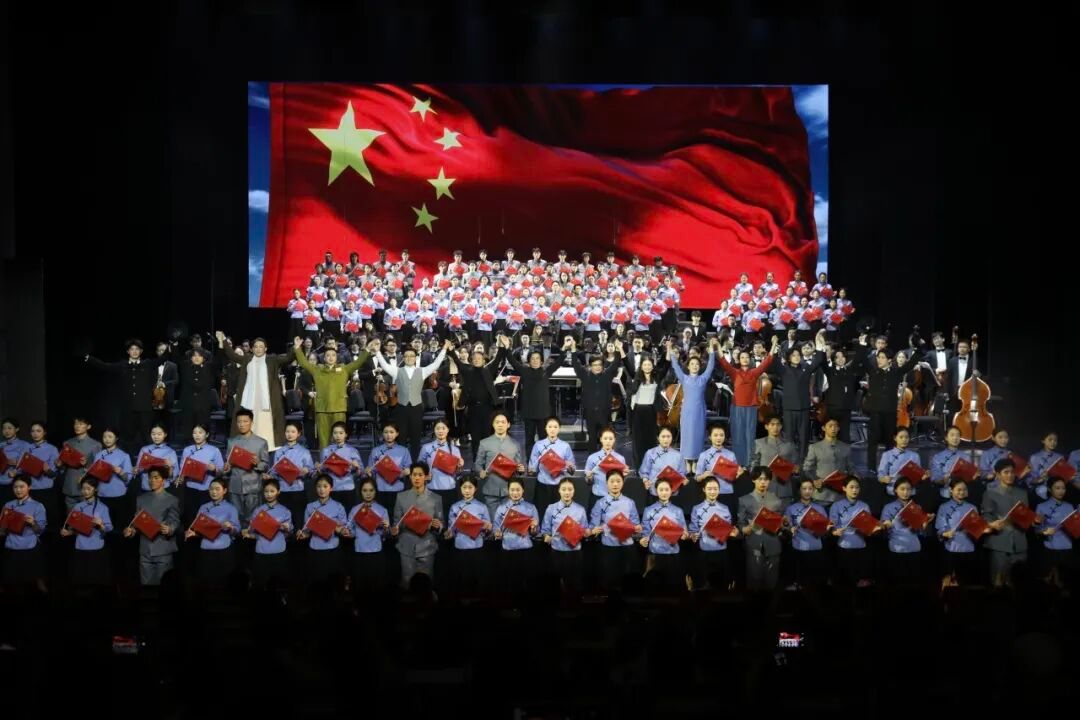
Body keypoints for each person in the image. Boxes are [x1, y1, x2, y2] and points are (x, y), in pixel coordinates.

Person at [373, 339, 450, 459]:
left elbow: (436, 364)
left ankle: (415, 462)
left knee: (416, 437)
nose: (409, 358)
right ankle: (401, 461)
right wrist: (377, 352)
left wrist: (444, 348)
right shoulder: (397, 371)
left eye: (411, 356)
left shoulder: (422, 371)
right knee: (401, 437)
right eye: (406, 356)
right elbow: (384, 365)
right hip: (401, 407)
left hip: (417, 407)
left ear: (415, 358)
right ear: (403, 358)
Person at [84, 339, 163, 455]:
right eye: (132, 349)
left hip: (145, 408)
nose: (134, 351)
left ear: (141, 351)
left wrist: (173, 345)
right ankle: (126, 461)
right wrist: (89, 358)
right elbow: (105, 366)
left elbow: (162, 359)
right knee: (127, 438)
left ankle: (153, 459)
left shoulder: (147, 364)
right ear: (128, 351)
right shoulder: (122, 365)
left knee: (147, 436)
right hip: (128, 409)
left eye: (137, 349)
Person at [293, 336, 372, 449]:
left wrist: (367, 350)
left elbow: (358, 363)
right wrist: (297, 348)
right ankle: (324, 460)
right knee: (324, 441)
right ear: (324, 358)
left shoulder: (344, 369)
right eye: (328, 355)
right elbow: (304, 363)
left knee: (339, 441)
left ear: (337, 357)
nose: (331, 358)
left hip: (339, 409)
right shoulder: (317, 369)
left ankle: (339, 460)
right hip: (322, 409)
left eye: (333, 355)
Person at [716, 336, 777, 465]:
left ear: (750, 360)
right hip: (737, 407)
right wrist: (717, 345)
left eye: (747, 357)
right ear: (739, 360)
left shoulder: (754, 372)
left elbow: (768, 361)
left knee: (750, 435)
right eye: (742, 357)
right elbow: (723, 361)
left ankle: (749, 462)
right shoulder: (734, 372)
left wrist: (774, 343)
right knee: (738, 436)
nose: (745, 359)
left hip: (751, 407)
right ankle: (739, 463)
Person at [982, 457, 1040, 588]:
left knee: (1018, 583)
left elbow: (1025, 516)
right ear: (998, 475)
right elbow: (986, 515)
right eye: (1006, 472)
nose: (1010, 475)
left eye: (1012, 472)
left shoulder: (1022, 493)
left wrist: (1034, 520)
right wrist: (992, 524)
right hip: (999, 542)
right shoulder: (990, 493)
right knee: (997, 582)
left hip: (1020, 542)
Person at [774, 330, 827, 461]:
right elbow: (774, 362)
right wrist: (774, 345)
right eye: (794, 355)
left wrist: (819, 344)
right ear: (789, 358)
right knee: (789, 438)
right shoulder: (784, 369)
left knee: (804, 438)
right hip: (789, 409)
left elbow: (818, 360)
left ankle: (803, 461)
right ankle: (789, 462)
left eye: (798, 355)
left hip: (804, 408)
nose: (797, 357)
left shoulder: (806, 368)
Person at [390, 461, 444, 588]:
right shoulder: (401, 497)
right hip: (407, 548)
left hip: (427, 547)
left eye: (420, 475)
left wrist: (438, 526)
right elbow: (396, 523)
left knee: (426, 585)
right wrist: (395, 530)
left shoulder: (436, 498)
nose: (417, 478)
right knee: (407, 584)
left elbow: (441, 523)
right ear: (410, 477)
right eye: (414, 475)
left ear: (426, 476)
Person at [124, 466, 180, 586]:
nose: (152, 480)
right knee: (146, 587)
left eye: (156, 478)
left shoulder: (172, 500)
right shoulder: (141, 499)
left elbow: (175, 521)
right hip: (145, 549)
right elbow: (136, 523)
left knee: (164, 588)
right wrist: (131, 531)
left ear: (163, 480)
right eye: (150, 478)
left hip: (163, 548)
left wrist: (169, 529)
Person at [667, 337, 718, 465]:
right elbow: (675, 367)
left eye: (697, 364)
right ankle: (686, 461)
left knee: (698, 435)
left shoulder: (703, 378)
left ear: (700, 366)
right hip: (687, 411)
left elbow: (711, 367)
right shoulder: (684, 378)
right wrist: (670, 351)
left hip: (699, 411)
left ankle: (696, 462)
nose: (695, 366)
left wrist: (712, 352)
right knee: (687, 435)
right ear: (688, 366)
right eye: (692, 364)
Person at [506, 337, 561, 456]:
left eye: (537, 358)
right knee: (529, 440)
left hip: (543, 413)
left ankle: (543, 461)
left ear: (541, 361)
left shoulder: (547, 371)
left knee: (544, 440)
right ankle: (530, 462)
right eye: (532, 358)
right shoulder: (524, 371)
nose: (535, 361)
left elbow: (559, 362)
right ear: (529, 360)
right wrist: (506, 348)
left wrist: (566, 349)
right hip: (529, 412)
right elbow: (512, 361)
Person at [589, 469, 642, 592]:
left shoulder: (630, 502)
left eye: (618, 481)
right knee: (609, 582)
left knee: (628, 584)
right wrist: (594, 530)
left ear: (623, 483)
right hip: (608, 547)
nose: (615, 484)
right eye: (612, 481)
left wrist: (637, 528)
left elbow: (636, 525)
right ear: (606, 483)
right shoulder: (600, 503)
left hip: (627, 547)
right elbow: (593, 526)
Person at [184, 477, 240, 585]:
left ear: (224, 490)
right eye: (211, 489)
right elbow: (199, 528)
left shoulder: (231, 508)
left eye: (217, 489)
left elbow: (237, 531)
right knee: (206, 582)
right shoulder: (203, 507)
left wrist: (231, 527)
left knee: (224, 582)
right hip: (205, 549)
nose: (214, 492)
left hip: (224, 549)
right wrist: (193, 533)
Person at [880, 476, 934, 587]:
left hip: (914, 549)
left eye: (908, 489)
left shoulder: (917, 507)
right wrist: (886, 525)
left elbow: (921, 531)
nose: (905, 492)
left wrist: (925, 523)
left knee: (914, 584)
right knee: (897, 584)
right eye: (902, 489)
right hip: (897, 550)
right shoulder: (888, 507)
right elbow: (883, 531)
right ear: (895, 490)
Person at [242, 477, 294, 589]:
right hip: (261, 552)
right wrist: (248, 532)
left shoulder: (285, 511)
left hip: (279, 551)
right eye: (266, 491)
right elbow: (253, 533)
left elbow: (289, 534)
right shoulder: (258, 511)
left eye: (272, 491)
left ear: (278, 492)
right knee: (261, 584)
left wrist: (287, 528)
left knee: (279, 585)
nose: (269, 494)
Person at [60, 476, 113, 587]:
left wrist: (101, 525)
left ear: (95, 489)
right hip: (80, 547)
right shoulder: (77, 507)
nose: (85, 491)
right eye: (83, 488)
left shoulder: (103, 507)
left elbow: (109, 529)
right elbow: (73, 529)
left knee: (96, 581)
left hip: (96, 548)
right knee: (81, 582)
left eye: (88, 488)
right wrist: (68, 532)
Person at [737, 467, 784, 592]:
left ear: (770, 481)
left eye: (766, 479)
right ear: (753, 480)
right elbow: (740, 524)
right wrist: (747, 528)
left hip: (773, 545)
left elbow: (781, 525)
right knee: (754, 582)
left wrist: (783, 524)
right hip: (754, 545)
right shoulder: (744, 500)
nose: (763, 482)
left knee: (772, 583)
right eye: (760, 479)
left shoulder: (777, 500)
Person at [296, 474, 348, 585]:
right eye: (319, 486)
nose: (322, 489)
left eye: (325, 486)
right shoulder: (310, 507)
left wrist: (338, 528)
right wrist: (302, 534)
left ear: (331, 488)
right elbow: (307, 531)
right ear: (315, 488)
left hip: (333, 550)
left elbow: (344, 530)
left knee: (333, 583)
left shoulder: (338, 506)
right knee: (316, 584)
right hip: (315, 550)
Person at [342, 478, 390, 597]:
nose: (368, 493)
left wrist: (386, 528)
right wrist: (347, 532)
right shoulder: (355, 509)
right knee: (360, 586)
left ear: (375, 491)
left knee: (377, 587)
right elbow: (351, 531)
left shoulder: (382, 510)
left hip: (376, 552)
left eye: (371, 490)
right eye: (365, 490)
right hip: (359, 552)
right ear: (360, 492)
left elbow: (385, 536)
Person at [541, 477, 589, 594]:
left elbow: (585, 530)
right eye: (564, 489)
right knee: (556, 586)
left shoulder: (580, 509)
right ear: (559, 490)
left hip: (575, 552)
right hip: (557, 551)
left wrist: (586, 533)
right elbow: (545, 530)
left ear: (574, 491)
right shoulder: (551, 508)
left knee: (574, 585)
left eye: (570, 489)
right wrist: (546, 537)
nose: (567, 492)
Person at [689, 477, 739, 590]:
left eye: (715, 489)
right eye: (709, 489)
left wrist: (733, 533)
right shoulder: (697, 509)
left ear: (719, 490)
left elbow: (729, 529)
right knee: (704, 586)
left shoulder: (725, 508)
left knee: (722, 587)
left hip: (722, 552)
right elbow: (693, 530)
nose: (712, 492)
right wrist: (693, 535)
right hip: (704, 552)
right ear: (704, 490)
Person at [444, 476, 492, 594]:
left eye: (470, 487)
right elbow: (451, 530)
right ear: (460, 488)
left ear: (475, 489)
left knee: (477, 580)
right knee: (461, 580)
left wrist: (488, 528)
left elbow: (488, 531)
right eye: (464, 487)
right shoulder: (455, 507)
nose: (467, 490)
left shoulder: (482, 507)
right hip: (460, 547)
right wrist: (449, 534)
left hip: (477, 547)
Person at [829, 476, 879, 587]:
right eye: (851, 487)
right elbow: (832, 526)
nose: (854, 490)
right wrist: (835, 531)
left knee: (860, 581)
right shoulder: (836, 506)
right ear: (844, 488)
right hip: (844, 546)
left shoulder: (864, 506)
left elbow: (868, 527)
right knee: (845, 582)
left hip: (861, 546)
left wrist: (872, 529)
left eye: (857, 487)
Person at [640, 477, 689, 592]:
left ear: (671, 491)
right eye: (661, 490)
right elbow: (645, 532)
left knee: (674, 587)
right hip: (655, 554)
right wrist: (643, 540)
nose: (664, 492)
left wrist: (685, 535)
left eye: (667, 489)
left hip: (673, 554)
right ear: (656, 491)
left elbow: (684, 532)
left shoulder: (678, 511)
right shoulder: (649, 510)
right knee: (655, 589)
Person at [492, 477, 540, 594]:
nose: (515, 493)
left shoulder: (530, 508)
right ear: (508, 491)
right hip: (507, 549)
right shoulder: (501, 508)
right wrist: (497, 533)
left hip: (525, 549)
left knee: (526, 583)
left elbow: (536, 533)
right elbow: (496, 528)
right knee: (509, 582)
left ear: (523, 490)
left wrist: (534, 527)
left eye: (518, 490)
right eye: (512, 490)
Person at [474, 411, 525, 518]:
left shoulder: (515, 444)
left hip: (509, 492)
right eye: (497, 422)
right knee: (494, 522)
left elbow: (519, 466)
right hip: (490, 489)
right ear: (493, 424)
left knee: (508, 523)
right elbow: (477, 464)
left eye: (503, 422)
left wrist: (521, 469)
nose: (500, 425)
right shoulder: (484, 443)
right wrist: (480, 472)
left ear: (508, 424)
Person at [0, 476, 47, 589]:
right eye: (15, 487)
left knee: (35, 575)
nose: (18, 490)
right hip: (11, 544)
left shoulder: (38, 506)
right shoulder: (8, 505)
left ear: (29, 487)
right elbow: (2, 530)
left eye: (22, 487)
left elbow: (41, 531)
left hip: (30, 545)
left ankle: (40, 585)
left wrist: (33, 523)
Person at [783, 478, 830, 589]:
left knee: (815, 583)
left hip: (816, 548)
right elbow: (785, 525)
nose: (807, 491)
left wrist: (827, 528)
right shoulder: (791, 508)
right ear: (799, 490)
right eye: (804, 488)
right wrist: (790, 529)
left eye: (810, 488)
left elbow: (826, 528)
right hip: (799, 548)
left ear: (813, 490)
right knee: (801, 583)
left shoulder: (820, 508)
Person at [224, 408, 270, 520]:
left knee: (253, 519)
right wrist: (227, 468)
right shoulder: (231, 442)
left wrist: (257, 463)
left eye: (245, 421)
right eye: (239, 422)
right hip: (235, 486)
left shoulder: (261, 442)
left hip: (253, 486)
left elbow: (265, 465)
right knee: (235, 519)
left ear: (251, 422)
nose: (242, 424)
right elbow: (228, 464)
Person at [935, 478, 980, 588]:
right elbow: (940, 529)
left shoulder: (972, 507)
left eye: (964, 489)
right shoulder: (944, 507)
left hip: (969, 549)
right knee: (950, 584)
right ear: (951, 490)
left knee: (967, 583)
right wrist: (945, 534)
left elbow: (978, 528)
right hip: (951, 549)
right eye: (959, 489)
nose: (962, 492)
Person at [176, 423, 224, 526]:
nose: (197, 435)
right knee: (189, 518)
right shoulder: (187, 450)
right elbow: (182, 470)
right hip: (190, 489)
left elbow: (222, 472)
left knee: (205, 519)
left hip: (206, 491)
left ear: (207, 434)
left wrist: (214, 468)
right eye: (194, 433)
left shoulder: (214, 451)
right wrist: (180, 478)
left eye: (200, 432)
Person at [528, 416, 576, 512]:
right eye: (550, 427)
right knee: (541, 513)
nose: (552, 429)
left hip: (559, 487)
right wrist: (533, 467)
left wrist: (570, 467)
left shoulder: (565, 446)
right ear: (545, 428)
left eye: (555, 427)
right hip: (542, 486)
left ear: (559, 428)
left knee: (559, 515)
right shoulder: (538, 445)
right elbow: (531, 471)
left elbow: (572, 471)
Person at [1034, 477, 1074, 589]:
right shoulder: (1041, 506)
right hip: (1050, 547)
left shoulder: (1069, 506)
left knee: (1065, 582)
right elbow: (1036, 529)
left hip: (1067, 546)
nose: (1061, 491)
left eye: (1063, 488)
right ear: (1049, 489)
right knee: (1047, 582)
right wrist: (1044, 531)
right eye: (1057, 488)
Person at [803, 418, 852, 507]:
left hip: (840, 496)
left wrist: (856, 474)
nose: (833, 428)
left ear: (839, 428)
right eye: (830, 426)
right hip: (821, 495)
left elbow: (851, 468)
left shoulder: (846, 447)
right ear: (823, 428)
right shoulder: (815, 447)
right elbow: (807, 469)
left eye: (836, 426)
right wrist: (814, 480)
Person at [749, 415, 798, 501]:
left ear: (781, 426)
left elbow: (796, 465)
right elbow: (753, 466)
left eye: (778, 424)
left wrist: (795, 469)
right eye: (772, 424)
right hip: (765, 489)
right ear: (766, 426)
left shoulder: (789, 444)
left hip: (785, 489)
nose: (775, 427)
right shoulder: (759, 443)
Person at [58, 415, 101, 512]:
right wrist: (59, 464)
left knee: (86, 517)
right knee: (71, 517)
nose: (77, 426)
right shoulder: (67, 443)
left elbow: (98, 468)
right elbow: (62, 468)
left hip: (86, 486)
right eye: (75, 423)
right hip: (69, 486)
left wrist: (86, 464)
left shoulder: (95, 445)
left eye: (81, 424)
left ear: (88, 426)